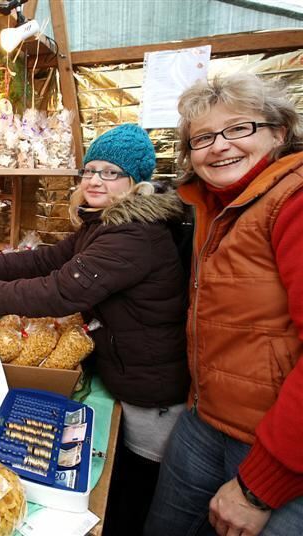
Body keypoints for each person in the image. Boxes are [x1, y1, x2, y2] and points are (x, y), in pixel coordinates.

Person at [0, 124, 190, 534]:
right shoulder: (104, 222)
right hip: (130, 369)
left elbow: (59, 291)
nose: (95, 180)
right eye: (91, 170)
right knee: (123, 477)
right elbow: (48, 259)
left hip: (149, 387)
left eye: (111, 172)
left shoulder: (134, 234)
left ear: (135, 181)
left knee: (135, 485)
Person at [145, 74, 303, 536]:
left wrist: (261, 486)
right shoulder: (211, 207)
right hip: (205, 418)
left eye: (238, 128)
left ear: (279, 132)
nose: (219, 147)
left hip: (277, 449)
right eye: (203, 138)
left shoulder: (292, 200)